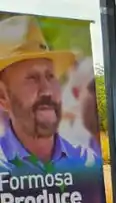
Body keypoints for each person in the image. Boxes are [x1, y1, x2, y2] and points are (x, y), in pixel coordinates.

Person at [0, 15, 92, 170]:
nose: (47, 90)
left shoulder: (86, 163)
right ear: (3, 96)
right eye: (32, 78)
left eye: (51, 76)